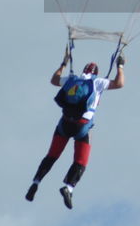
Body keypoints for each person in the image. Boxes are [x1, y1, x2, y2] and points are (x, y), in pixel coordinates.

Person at [25, 49, 125, 208]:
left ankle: (36, 183)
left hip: (64, 124)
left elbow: (54, 80)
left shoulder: (72, 79)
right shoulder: (98, 82)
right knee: (81, 161)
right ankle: (69, 187)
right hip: (82, 126)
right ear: (95, 73)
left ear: (84, 70)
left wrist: (64, 63)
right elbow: (119, 83)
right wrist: (120, 65)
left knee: (52, 155)